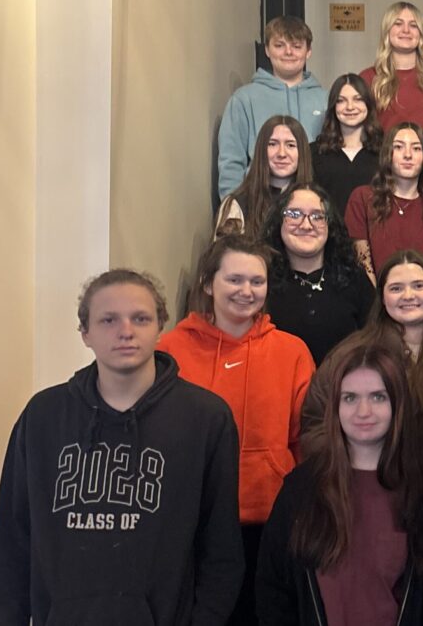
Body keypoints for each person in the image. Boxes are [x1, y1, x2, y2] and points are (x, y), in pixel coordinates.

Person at [0, 270, 243, 625]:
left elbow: (222, 552)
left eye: (141, 318)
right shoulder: (43, 417)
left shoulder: (206, 418)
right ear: (85, 333)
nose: (126, 331)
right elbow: (10, 545)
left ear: (160, 327)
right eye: (108, 320)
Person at [157, 235, 315, 625]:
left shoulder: (292, 351)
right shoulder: (170, 351)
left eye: (257, 281)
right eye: (234, 280)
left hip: (268, 520)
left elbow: (306, 439)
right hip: (192, 521)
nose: (247, 291)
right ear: (208, 284)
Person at [255, 340, 423, 625]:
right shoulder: (301, 488)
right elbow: (272, 590)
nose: (363, 411)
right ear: (335, 406)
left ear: (397, 404)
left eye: (378, 397)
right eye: (350, 398)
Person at [306, 250, 423, 475]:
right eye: (396, 288)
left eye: (419, 286)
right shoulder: (349, 356)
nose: (408, 295)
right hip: (369, 489)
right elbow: (315, 426)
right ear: (382, 298)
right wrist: (354, 472)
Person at [263, 182, 374, 365]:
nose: (307, 225)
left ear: (330, 224)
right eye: (294, 214)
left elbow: (375, 342)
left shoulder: (354, 278)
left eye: (317, 216)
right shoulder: (262, 281)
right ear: (278, 222)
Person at [218, 16, 327, 199]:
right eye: (279, 45)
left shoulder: (326, 100)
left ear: (308, 51)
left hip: (312, 203)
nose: (288, 52)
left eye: (296, 46)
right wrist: (233, 206)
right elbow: (231, 162)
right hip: (258, 202)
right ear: (267, 50)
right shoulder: (243, 99)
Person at [345, 122, 423, 282]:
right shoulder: (362, 198)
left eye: (416, 148)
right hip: (372, 294)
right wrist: (380, 296)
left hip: (418, 295)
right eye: (399, 147)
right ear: (388, 153)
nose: (408, 155)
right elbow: (363, 264)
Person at [360, 1, 423, 132]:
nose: (406, 30)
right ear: (387, 30)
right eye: (398, 24)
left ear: (421, 33)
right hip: (383, 146)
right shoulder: (368, 77)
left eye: (413, 25)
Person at [216, 115, 312, 240]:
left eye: (290, 145)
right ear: (261, 150)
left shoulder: (317, 203)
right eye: (272, 144)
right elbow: (224, 252)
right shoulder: (237, 204)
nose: (281, 153)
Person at [310, 73, 383, 218]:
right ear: (333, 106)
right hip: (327, 230)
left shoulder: (385, 151)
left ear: (368, 104)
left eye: (358, 99)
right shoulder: (314, 152)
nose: (350, 107)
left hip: (373, 230)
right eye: (341, 101)